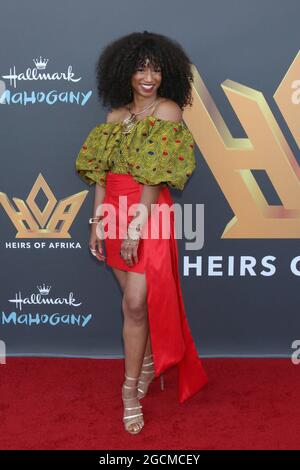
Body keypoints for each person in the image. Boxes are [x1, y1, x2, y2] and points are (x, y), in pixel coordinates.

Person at [75, 31, 208, 435]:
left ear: (166, 73)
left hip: (147, 212)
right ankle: (147, 362)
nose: (148, 76)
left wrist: (136, 225)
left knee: (136, 302)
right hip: (113, 211)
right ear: (124, 73)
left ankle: (129, 391)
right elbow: (101, 175)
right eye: (139, 68)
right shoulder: (114, 118)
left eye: (155, 69)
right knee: (132, 303)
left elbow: (155, 174)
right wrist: (98, 222)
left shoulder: (167, 111)